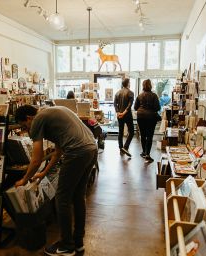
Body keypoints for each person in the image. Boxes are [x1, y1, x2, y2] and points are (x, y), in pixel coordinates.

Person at [14, 105, 97, 256]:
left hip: (77, 152)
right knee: (78, 197)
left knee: (62, 199)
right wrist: (44, 173)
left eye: (24, 126)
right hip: (91, 149)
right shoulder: (50, 114)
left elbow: (36, 159)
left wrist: (24, 179)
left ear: (28, 118)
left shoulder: (38, 120)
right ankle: (77, 242)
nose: (26, 130)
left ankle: (66, 245)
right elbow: (58, 152)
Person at [134, 79, 160, 163]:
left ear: (143, 85)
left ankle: (144, 152)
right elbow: (157, 108)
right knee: (149, 136)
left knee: (143, 135)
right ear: (150, 85)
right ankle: (147, 154)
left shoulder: (139, 96)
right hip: (151, 117)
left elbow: (135, 107)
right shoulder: (154, 96)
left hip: (140, 116)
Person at [114, 78, 134, 157]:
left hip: (119, 115)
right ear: (128, 83)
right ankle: (125, 147)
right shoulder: (130, 93)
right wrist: (124, 113)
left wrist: (118, 112)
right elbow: (130, 104)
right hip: (127, 114)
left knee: (120, 131)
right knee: (131, 132)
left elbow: (115, 104)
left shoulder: (118, 92)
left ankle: (121, 148)